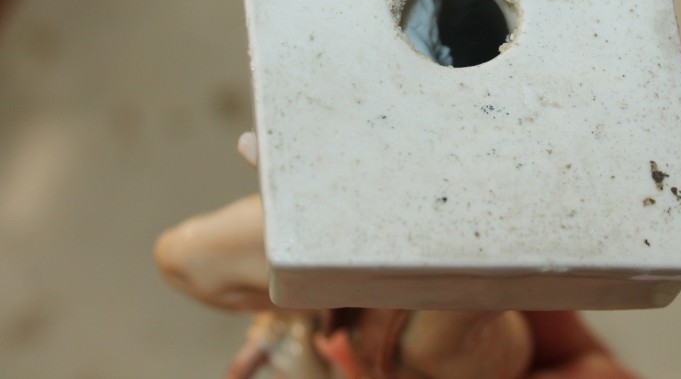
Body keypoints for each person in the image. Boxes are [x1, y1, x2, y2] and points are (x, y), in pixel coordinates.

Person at [155, 134, 636, 379]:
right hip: (383, 305)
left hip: (420, 344)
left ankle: (478, 219)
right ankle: (467, 212)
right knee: (185, 256)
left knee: (433, 342)